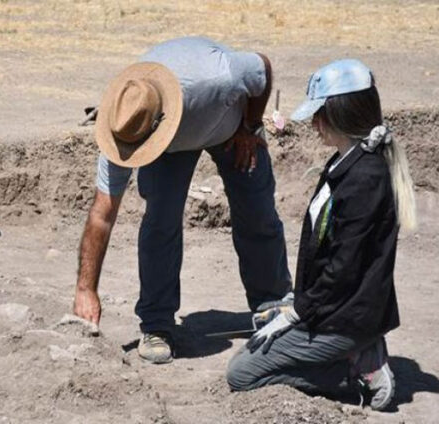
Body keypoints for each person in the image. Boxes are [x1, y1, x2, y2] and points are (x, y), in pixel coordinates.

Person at [72, 37, 292, 364]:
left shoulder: (217, 78)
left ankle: (273, 304)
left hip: (230, 125)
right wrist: (85, 289)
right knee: (160, 220)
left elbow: (262, 68)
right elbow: (102, 215)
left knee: (257, 209)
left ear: (162, 121)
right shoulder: (126, 121)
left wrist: (250, 125)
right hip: (171, 146)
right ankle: (157, 324)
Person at [226, 59, 417, 411]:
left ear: (342, 114)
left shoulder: (365, 178)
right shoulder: (345, 163)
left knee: (242, 375)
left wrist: (297, 312)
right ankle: (352, 357)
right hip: (328, 309)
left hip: (344, 319)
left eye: (320, 114)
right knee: (252, 356)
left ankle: (358, 373)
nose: (314, 124)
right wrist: (299, 305)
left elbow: (344, 266)